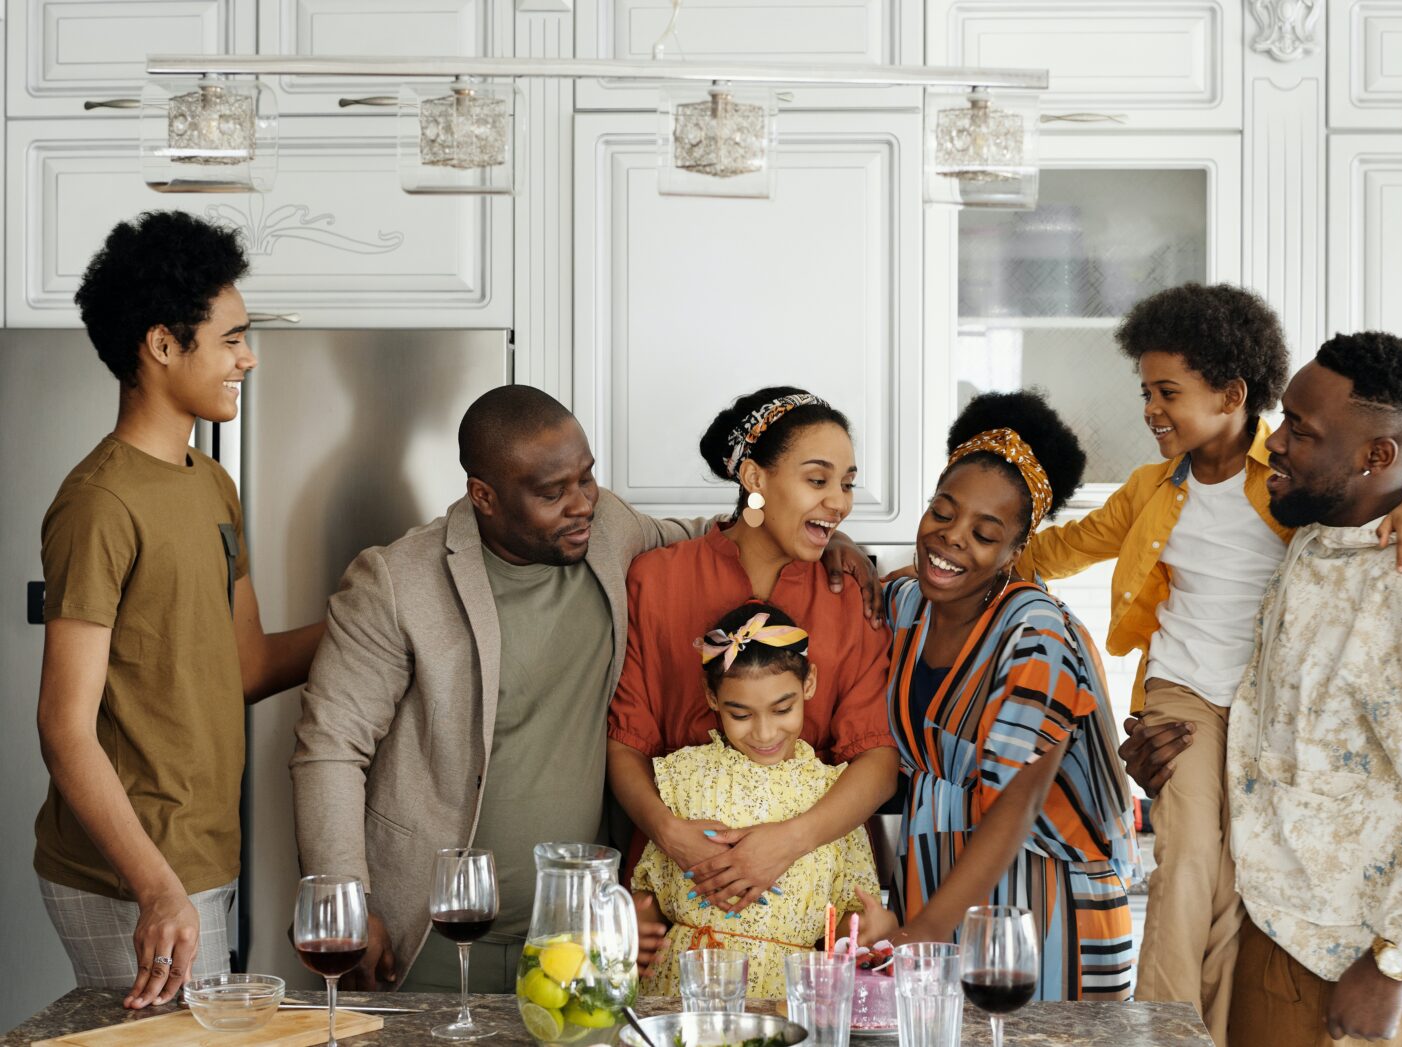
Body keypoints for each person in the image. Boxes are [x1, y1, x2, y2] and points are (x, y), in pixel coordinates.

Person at [291, 385, 877, 994]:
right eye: (553, 493)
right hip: (435, 929)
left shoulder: (609, 530)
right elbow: (330, 748)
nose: (582, 505)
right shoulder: (397, 580)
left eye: (587, 478)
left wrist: (826, 537)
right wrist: (345, 902)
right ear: (483, 496)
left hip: (580, 928)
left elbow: (723, 538)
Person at [1008, 285, 1402, 1043]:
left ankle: (1206, 1030)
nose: (1151, 408)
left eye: (1168, 392)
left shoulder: (1289, 474)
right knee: (1186, 861)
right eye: (1146, 391)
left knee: (1238, 881)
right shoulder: (1151, 489)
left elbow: (1394, 461)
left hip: (1265, 705)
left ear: (1230, 394)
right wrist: (973, 557)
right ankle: (1159, 1028)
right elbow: (1058, 550)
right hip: (1182, 694)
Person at [1130, 334, 1402, 1046]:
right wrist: (1174, 767)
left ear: (1376, 457)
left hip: (1346, 968)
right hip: (1279, 932)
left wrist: (1393, 963)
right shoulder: (1318, 540)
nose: (1271, 444)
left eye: (1300, 432)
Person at [35, 211, 325, 1010]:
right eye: (231, 337)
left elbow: (248, 665)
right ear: (163, 345)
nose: (249, 355)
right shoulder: (99, 503)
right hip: (133, 872)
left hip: (201, 853)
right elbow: (64, 727)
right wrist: (156, 887)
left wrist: (375, 619)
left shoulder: (211, 483)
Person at [862, 390, 1139, 1001]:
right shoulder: (903, 605)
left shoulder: (1036, 635)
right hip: (932, 882)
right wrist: (839, 553)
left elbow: (1018, 802)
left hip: (1044, 910)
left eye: (985, 533)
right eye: (943, 512)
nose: (952, 538)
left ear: (1016, 551)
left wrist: (927, 931)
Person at [608, 387, 898, 918]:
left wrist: (791, 840)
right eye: (817, 480)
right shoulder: (655, 581)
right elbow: (625, 741)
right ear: (754, 478)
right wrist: (671, 834)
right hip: (670, 900)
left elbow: (877, 758)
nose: (840, 501)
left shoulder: (850, 595)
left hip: (812, 903)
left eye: (847, 483)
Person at [628, 602, 880, 998]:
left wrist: (869, 926)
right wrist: (638, 917)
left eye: (783, 709)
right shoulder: (685, 776)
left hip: (787, 992)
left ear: (808, 684)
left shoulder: (834, 793)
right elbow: (653, 885)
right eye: (741, 715)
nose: (764, 734)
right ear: (712, 697)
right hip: (686, 982)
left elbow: (854, 906)